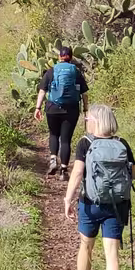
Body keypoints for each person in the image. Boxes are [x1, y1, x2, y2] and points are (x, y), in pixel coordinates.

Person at [62, 104, 135, 270]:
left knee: (86, 246)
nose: (86, 122)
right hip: (117, 205)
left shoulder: (85, 143)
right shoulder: (122, 143)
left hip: (90, 204)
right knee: (111, 253)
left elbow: (78, 173)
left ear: (95, 122)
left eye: (88, 120)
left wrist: (68, 199)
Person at [35, 46, 87, 177]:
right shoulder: (76, 72)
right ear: (71, 57)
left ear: (59, 57)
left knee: (53, 134)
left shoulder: (51, 71)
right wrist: (86, 109)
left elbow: (42, 91)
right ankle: (64, 170)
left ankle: (53, 159)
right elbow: (84, 93)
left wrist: (37, 108)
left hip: (52, 108)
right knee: (65, 140)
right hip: (71, 109)